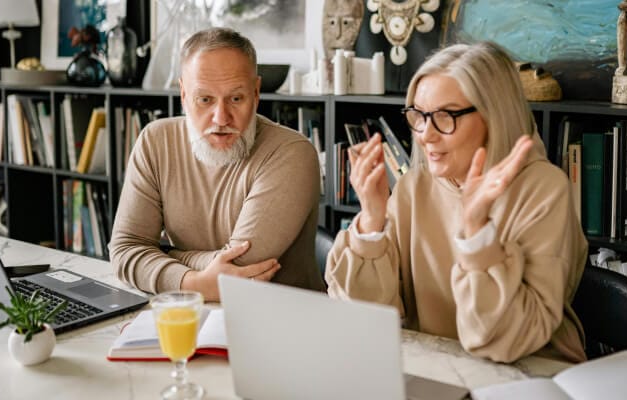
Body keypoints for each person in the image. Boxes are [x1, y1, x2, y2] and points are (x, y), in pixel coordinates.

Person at [325, 41, 587, 363]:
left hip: (528, 376)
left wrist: (477, 233)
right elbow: (363, 319)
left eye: (446, 116)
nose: (425, 135)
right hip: (439, 369)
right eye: (418, 115)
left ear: (495, 115)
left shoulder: (544, 191)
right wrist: (371, 221)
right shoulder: (413, 186)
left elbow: (505, 342)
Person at [110, 27, 325, 301]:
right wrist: (195, 283)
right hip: (191, 310)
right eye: (205, 100)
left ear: (256, 93)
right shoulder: (155, 141)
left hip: (284, 321)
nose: (221, 118)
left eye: (236, 98)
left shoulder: (291, 153)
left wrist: (164, 254)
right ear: (184, 95)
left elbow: (239, 271)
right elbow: (125, 250)